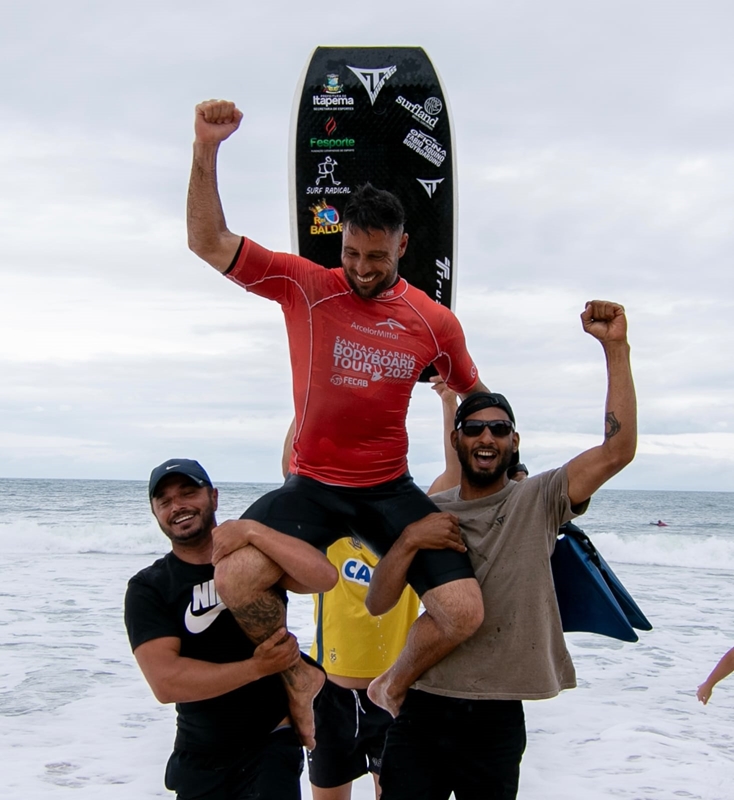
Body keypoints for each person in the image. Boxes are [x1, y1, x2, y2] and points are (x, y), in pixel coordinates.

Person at [186, 99, 490, 746]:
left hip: (388, 488)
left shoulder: (433, 323)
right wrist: (206, 147)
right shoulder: (306, 286)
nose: (361, 269)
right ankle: (299, 673)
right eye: (352, 253)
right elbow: (207, 242)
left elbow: (476, 397)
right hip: (313, 485)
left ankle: (391, 683)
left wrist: (498, 460)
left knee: (464, 610)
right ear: (340, 243)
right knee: (233, 577)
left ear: (403, 245)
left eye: (377, 257)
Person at [367, 300, 637, 799]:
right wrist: (408, 540)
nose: (486, 437)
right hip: (423, 705)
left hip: (496, 717)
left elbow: (616, 452)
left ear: (514, 442)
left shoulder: (539, 498)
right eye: (474, 429)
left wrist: (615, 348)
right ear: (457, 439)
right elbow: (377, 602)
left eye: (498, 429)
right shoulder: (427, 510)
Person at [124, 459, 337, 800]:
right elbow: (166, 682)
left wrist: (254, 531)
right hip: (200, 753)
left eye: (188, 493)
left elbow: (323, 577)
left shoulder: (253, 560)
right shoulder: (150, 587)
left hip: (271, 740)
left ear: (214, 497)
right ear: (155, 513)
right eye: (164, 501)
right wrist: (258, 668)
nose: (177, 506)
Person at [296, 377, 454, 800]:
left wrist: (448, 399)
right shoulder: (332, 527)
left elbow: (453, 477)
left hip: (396, 691)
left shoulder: (412, 532)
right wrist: (312, 395)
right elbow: (292, 470)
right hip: (331, 694)